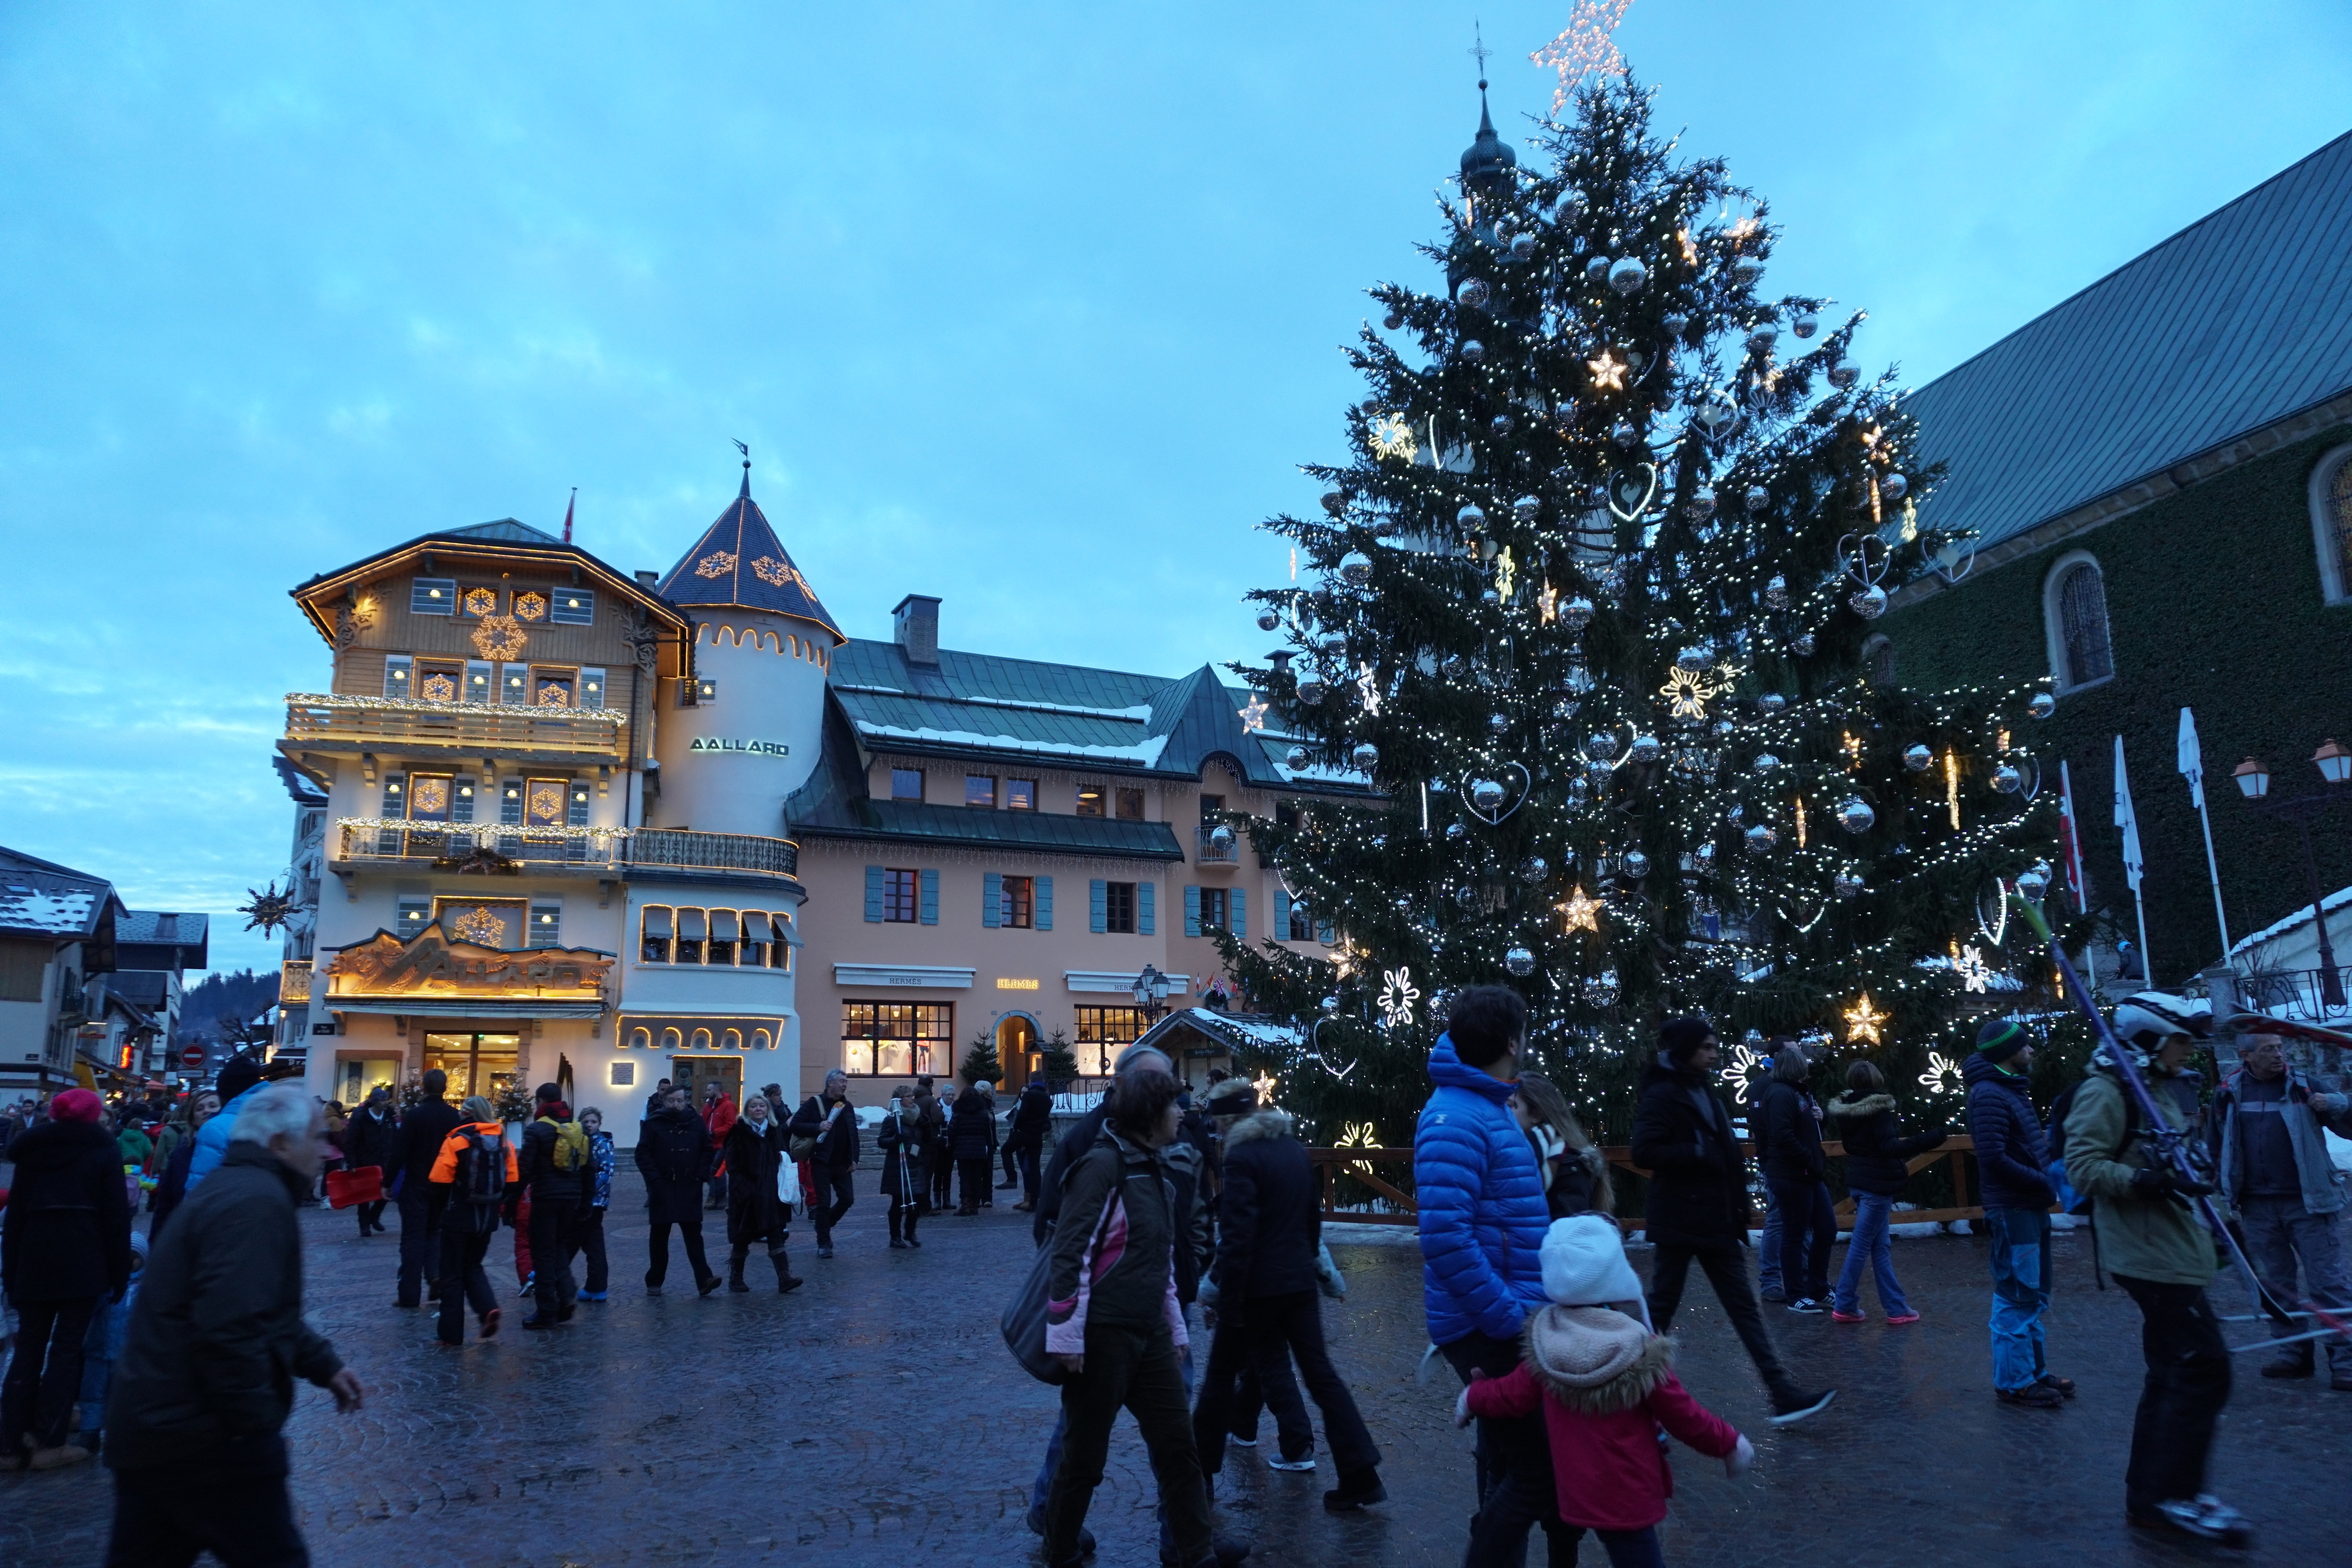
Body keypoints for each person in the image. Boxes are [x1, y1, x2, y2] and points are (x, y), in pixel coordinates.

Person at [100, 1084, 362, 1564]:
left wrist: (322, 1364)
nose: (324, 1154)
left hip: (160, 1428)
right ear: (280, 1143)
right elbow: (231, 1326)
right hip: (205, 1440)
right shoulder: (255, 1202)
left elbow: (255, 1307)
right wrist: (254, 1430)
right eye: (314, 1139)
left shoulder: (237, 1188)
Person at [1455, 1215, 1753, 1568]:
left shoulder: (1545, 1345)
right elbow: (1683, 1415)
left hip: (1575, 1491)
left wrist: (1473, 1396)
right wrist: (1729, 1444)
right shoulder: (1638, 1349)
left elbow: (1511, 1395)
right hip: (1628, 1495)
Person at [2065, 993, 2249, 1546]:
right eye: (2180, 1040)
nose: (2187, 1050)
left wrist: (2207, 1211)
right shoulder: (2106, 1090)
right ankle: (2177, 1495)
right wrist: (2145, 1181)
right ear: (2148, 1040)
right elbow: (2082, 1166)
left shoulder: (2153, 1090)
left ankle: (2152, 1497)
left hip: (2170, 1247)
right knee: (2203, 1369)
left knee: (2173, 1372)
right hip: (2148, 1256)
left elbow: (2173, 1157)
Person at [1041, 1069, 1238, 1568]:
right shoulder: (1102, 1166)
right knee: (1083, 1459)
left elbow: (1161, 1261)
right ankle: (1059, 1549)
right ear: (1149, 1116)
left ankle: (1197, 1554)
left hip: (1149, 1336)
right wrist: (1066, 1334)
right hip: (1100, 1337)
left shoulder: (1154, 1168)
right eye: (1174, 1105)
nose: (1182, 1113)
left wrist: (1174, 1329)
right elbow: (1069, 1253)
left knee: (1179, 1448)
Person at [1416, 986, 1573, 1563]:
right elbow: (1444, 1238)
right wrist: (1510, 1317)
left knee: (1513, 1462)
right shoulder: (1457, 1115)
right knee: (1538, 1469)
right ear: (1511, 1040)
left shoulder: (1482, 1105)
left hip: (1507, 1312)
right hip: (1489, 1322)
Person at [1190, 1081, 1384, 1512]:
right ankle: (1361, 1472)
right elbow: (1312, 1225)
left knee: (1220, 1380)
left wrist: (1223, 1294)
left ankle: (1197, 1477)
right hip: (1297, 1284)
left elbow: (1238, 1238)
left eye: (1218, 1124)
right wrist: (1314, 1271)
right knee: (1323, 1378)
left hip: (1255, 1290)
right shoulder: (1294, 1150)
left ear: (1227, 1121)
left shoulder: (1242, 1156)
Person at [1633, 1018, 1835, 1426]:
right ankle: (1624, 1385)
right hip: (1682, 1216)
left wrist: (1737, 1206)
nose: (1714, 1053)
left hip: (1716, 1217)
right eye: (1706, 1046)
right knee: (1661, 1308)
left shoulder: (1702, 1087)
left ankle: (1781, 1391)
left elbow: (1723, 1151)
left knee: (1743, 1308)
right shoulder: (1662, 1093)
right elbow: (1645, 1150)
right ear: (1687, 1049)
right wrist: (1695, 1151)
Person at [2209, 1031, 2352, 1388]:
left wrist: (2337, 1105)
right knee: (2275, 1285)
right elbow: (2214, 1145)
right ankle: (2293, 1352)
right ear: (2246, 1055)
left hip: (2310, 1203)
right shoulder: (2227, 1092)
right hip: (2256, 1206)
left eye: (2280, 1048)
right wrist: (2216, 1194)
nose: (2278, 1055)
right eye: (2269, 1049)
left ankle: (2345, 1360)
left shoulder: (2304, 1085)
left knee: (2329, 1284)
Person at [0, 1088, 132, 1470]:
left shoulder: (31, 1152)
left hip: (33, 1262)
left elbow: (18, 1215)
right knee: (66, 1351)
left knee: (28, 1349)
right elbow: (115, 1218)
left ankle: (8, 1442)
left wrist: (11, 1271)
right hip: (83, 1263)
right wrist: (119, 1272)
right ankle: (48, 1439)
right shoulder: (104, 1151)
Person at [1963, 1018, 2068, 1409]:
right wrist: (2040, 1181)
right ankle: (2015, 1381)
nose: (2032, 1050)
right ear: (2008, 1052)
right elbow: (1993, 1157)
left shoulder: (2009, 1090)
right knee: (2017, 1293)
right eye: (2025, 1045)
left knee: (2034, 1291)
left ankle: (2034, 1372)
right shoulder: (1991, 1094)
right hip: (2014, 1206)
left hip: (2028, 1202)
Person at [1826, 1061, 1943, 1324]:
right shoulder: (1878, 1111)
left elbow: (1853, 1146)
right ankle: (1845, 1303)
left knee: (1880, 1248)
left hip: (1859, 1182)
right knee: (1862, 1246)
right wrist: (1931, 1138)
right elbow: (1890, 1148)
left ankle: (1896, 1307)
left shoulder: (1846, 1113)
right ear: (1876, 1080)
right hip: (1877, 1186)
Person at [426, 1096, 517, 1345]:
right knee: (473, 1266)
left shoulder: (456, 1141)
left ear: (466, 1114)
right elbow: (512, 1181)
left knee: (452, 1275)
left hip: (458, 1215)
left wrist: (442, 1210)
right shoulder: (504, 1142)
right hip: (487, 1218)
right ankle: (488, 1308)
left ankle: (450, 1333)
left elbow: (439, 1181)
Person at [1756, 1045, 1836, 1313]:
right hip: (1791, 1174)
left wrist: (1820, 1120)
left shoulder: (1800, 1093)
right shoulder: (1780, 1094)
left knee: (1826, 1229)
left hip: (1808, 1172)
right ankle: (1796, 1293)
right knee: (1794, 1233)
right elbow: (1782, 1135)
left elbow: (1806, 1131)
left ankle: (1818, 1286)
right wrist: (1808, 1159)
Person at [513, 1085, 590, 1329]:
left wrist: (509, 1202)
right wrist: (586, 1201)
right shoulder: (578, 1129)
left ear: (540, 1101)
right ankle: (566, 1295)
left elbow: (524, 1169)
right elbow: (590, 1168)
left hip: (546, 1198)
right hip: (572, 1199)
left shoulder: (536, 1129)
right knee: (557, 1248)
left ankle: (546, 1310)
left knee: (542, 1254)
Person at [636, 1084, 721, 1295]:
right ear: (664, 1101)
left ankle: (704, 1280)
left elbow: (706, 1149)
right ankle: (654, 1281)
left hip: (688, 1185)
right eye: (672, 1101)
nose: (676, 1105)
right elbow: (643, 1154)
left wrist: (701, 1175)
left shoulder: (695, 1121)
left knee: (694, 1236)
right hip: (662, 1187)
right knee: (659, 1237)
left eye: (680, 1101)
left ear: (686, 1101)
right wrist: (654, 1180)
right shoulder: (653, 1123)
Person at [394, 1068, 463, 1309]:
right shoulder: (454, 1117)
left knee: (413, 1238)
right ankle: (435, 1275)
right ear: (445, 1089)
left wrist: (386, 1182)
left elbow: (399, 1152)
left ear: (423, 1087)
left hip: (417, 1183)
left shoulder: (414, 1116)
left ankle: (409, 1295)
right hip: (444, 1185)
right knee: (435, 1232)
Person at [75, 1230, 148, 1460]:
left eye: (133, 1257)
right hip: (98, 1350)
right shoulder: (106, 1286)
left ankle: (124, 1431)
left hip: (127, 1354)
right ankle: (90, 1430)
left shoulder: (144, 1289)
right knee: (92, 1393)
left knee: (124, 1395)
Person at [724, 1092, 801, 1293]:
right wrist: (745, 1189)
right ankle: (736, 1278)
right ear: (747, 1110)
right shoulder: (739, 1132)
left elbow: (783, 1156)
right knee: (743, 1237)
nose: (758, 1109)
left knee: (776, 1234)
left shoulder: (774, 1131)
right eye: (754, 1106)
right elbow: (733, 1164)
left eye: (762, 1106)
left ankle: (785, 1278)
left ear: (768, 1110)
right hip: (746, 1196)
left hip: (771, 1193)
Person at [1511, 1072, 1613, 1220]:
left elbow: (1568, 1229)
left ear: (1536, 1114)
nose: (1502, 1112)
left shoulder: (1571, 1166)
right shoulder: (1510, 1152)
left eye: (1510, 1106)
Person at [790, 1070, 860, 1257]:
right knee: (823, 1202)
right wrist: (817, 1127)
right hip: (821, 1161)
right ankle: (823, 1243)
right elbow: (795, 1124)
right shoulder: (815, 1103)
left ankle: (825, 1225)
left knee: (848, 1199)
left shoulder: (847, 1106)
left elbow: (853, 1133)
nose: (845, 1084)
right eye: (841, 1081)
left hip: (842, 1163)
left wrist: (855, 1158)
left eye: (846, 1081)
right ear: (830, 1083)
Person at [181, 1055, 268, 1194]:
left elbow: (200, 1188)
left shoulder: (216, 1128)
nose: (206, 1111)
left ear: (224, 1094)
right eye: (200, 1108)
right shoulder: (280, 1117)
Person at [145, 1090, 219, 1241]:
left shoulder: (236, 1149)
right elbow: (165, 1206)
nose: (206, 1111)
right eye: (199, 1108)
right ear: (193, 1119)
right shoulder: (181, 1154)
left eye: (212, 1106)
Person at [877, 1084, 931, 1248]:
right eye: (908, 1096)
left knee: (919, 1200)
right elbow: (882, 1141)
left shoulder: (916, 1117)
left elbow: (926, 1139)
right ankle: (895, 1236)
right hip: (898, 1167)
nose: (912, 1099)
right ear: (900, 1100)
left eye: (912, 1096)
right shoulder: (893, 1119)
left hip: (915, 1164)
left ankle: (910, 1231)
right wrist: (894, 1140)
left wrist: (925, 1123)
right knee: (899, 1202)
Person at [342, 1086, 399, 1238]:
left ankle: (374, 1216)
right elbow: (351, 1142)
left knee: (386, 1193)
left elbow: (395, 1138)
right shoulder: (360, 1118)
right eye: (382, 1100)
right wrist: (352, 1163)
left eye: (387, 1099)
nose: (385, 1103)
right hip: (365, 1161)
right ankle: (364, 1226)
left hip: (385, 1162)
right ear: (374, 1102)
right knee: (364, 1196)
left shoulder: (388, 1117)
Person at [577, 1106, 617, 1301]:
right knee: (592, 1245)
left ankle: (546, 1276)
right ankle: (596, 1287)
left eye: (593, 1122)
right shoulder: (581, 1142)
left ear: (599, 1124)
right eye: (586, 1122)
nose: (590, 1125)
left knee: (580, 1242)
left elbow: (606, 1172)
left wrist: (588, 1190)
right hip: (583, 1201)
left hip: (595, 1202)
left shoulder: (603, 1144)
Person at [950, 1076, 998, 1216]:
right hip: (979, 1150)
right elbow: (987, 1132)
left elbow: (952, 1130)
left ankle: (965, 1205)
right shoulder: (983, 1112)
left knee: (964, 1178)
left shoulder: (958, 1112)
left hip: (963, 1150)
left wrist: (954, 1146)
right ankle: (974, 1205)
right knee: (977, 1178)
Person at [1007, 1074, 1054, 1210]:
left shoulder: (1035, 1103)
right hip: (1019, 1141)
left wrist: (1032, 1129)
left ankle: (1033, 1199)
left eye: (1025, 1093)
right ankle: (1027, 1198)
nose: (1023, 1095)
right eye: (1021, 1093)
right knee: (1024, 1171)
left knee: (1030, 1170)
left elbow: (1046, 1123)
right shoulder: (1016, 1107)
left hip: (1030, 1139)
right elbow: (1013, 1125)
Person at [918, 1075, 953, 1212]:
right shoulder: (931, 1101)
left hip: (918, 1142)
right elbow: (938, 1118)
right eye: (948, 1094)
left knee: (923, 1173)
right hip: (931, 1141)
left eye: (952, 1095)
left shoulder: (913, 1097)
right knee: (930, 1174)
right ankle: (927, 1205)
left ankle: (923, 1203)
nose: (951, 1097)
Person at [701, 1082, 737, 1209]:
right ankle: (714, 1195)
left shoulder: (728, 1106)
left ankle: (720, 1197)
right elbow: (703, 1121)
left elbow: (730, 1125)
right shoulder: (708, 1106)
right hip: (709, 1143)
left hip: (722, 1143)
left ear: (716, 1091)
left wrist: (715, 1133)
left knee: (717, 1171)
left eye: (709, 1090)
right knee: (708, 1170)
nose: (707, 1092)